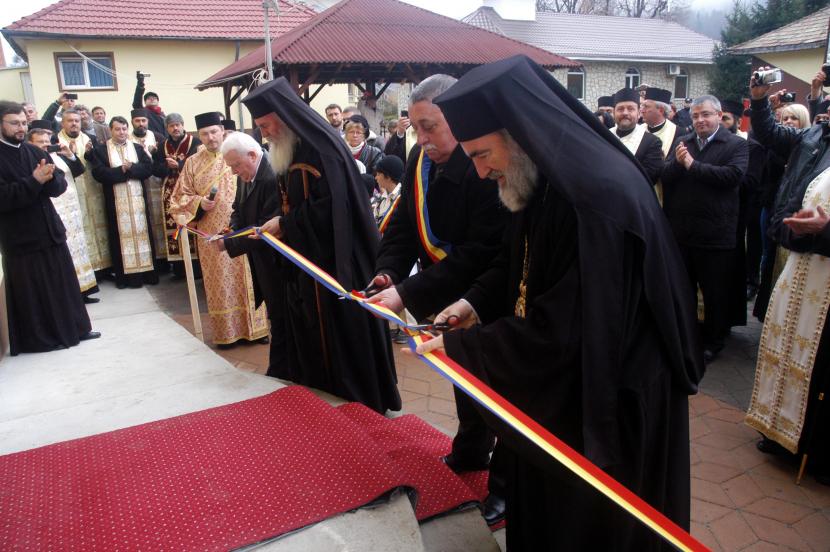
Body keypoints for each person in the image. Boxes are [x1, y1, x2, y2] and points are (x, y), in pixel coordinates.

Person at [415, 55, 701, 550]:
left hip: (612, 400)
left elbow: (570, 328)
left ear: (522, 133)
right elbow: (518, 262)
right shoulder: (544, 178)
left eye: (482, 154)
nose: (480, 172)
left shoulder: (596, 197)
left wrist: (462, 350)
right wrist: (473, 305)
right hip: (570, 386)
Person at [366, 73, 510, 525]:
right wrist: (389, 271)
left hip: (486, 293)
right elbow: (406, 224)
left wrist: (407, 293)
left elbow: (482, 250)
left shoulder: (484, 162)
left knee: (497, 392)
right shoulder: (418, 160)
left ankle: (505, 486)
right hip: (442, 291)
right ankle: (471, 453)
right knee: (462, 378)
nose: (422, 138)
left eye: (431, 126)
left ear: (457, 118)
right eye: (416, 127)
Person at [239, 77, 400, 414]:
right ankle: (319, 399)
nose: (264, 134)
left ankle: (356, 404)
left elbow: (331, 206)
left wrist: (285, 224)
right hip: (306, 262)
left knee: (343, 340)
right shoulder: (289, 147)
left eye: (266, 125)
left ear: (282, 117)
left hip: (337, 264)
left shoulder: (321, 147)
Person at [745, 67, 830, 486]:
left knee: (817, 366)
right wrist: (759, 101)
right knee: (784, 347)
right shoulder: (817, 136)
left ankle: (812, 447)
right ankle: (778, 432)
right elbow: (774, 138)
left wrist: (825, 231)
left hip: (827, 275)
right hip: (798, 260)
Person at [0, 101, 100, 355]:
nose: (21, 128)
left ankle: (76, 329)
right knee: (34, 292)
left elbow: (59, 186)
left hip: (50, 231)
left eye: (24, 122)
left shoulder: (34, 152)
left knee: (63, 284)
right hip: (21, 238)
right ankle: (42, 339)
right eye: (15, 123)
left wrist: (48, 179)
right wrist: (34, 180)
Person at [168, 112, 268, 347]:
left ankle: (257, 329)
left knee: (250, 277)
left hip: (242, 227)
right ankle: (227, 334)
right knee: (220, 284)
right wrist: (199, 204)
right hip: (211, 231)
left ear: (222, 130)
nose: (210, 137)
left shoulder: (235, 153)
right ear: (198, 136)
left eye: (214, 131)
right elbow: (177, 199)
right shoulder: (193, 162)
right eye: (204, 133)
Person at [661, 95, 749, 364]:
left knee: (714, 294)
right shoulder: (682, 143)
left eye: (706, 115)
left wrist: (692, 166)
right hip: (683, 233)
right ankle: (687, 336)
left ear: (719, 116)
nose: (700, 120)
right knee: (684, 291)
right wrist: (677, 164)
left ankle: (714, 341)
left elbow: (732, 177)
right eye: (696, 115)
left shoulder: (735, 145)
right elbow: (664, 175)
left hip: (715, 235)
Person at [218, 131, 287, 376]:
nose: (234, 172)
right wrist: (230, 231)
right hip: (261, 261)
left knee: (282, 315)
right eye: (231, 167)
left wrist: (230, 244)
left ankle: (281, 370)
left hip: (278, 262)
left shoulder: (271, 176)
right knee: (274, 313)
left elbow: (265, 228)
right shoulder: (244, 173)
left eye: (236, 165)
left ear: (252, 154)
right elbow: (238, 209)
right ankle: (281, 367)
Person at [29, 124, 100, 303]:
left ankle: (84, 290)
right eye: (40, 142)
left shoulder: (56, 156)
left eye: (47, 141)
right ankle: (71, 295)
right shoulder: (32, 161)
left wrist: (70, 155)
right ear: (30, 144)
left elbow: (78, 171)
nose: (45, 145)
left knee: (78, 250)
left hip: (73, 209)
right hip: (56, 210)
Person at [88, 116, 159, 288]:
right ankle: (126, 279)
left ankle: (147, 275)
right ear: (111, 130)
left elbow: (148, 169)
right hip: (115, 204)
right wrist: (122, 170)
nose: (121, 132)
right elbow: (99, 174)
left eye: (124, 129)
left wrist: (132, 168)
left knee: (143, 236)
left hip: (138, 204)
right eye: (117, 129)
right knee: (119, 238)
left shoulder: (136, 148)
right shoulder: (101, 150)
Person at [56, 110, 111, 277]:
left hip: (94, 189)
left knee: (100, 227)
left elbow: (99, 162)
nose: (74, 124)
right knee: (81, 229)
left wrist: (91, 154)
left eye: (77, 121)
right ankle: (87, 271)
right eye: (70, 121)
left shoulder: (90, 139)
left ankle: (105, 268)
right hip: (72, 193)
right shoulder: (57, 142)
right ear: (62, 123)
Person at [153, 113, 201, 277]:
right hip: (170, 192)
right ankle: (180, 269)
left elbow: (198, 165)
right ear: (167, 128)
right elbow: (156, 170)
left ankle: (196, 268)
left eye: (177, 124)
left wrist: (179, 164)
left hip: (189, 191)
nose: (175, 128)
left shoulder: (195, 142)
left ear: (182, 125)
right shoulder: (162, 146)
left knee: (191, 224)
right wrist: (169, 167)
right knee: (174, 227)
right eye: (171, 126)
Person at [610, 88, 664, 185]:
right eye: (620, 109)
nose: (625, 113)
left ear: (639, 113)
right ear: (614, 113)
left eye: (631, 109)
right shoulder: (605, 136)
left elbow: (649, 179)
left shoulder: (652, 142)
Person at [370, 154, 403, 229]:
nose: (376, 178)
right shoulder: (381, 198)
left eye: (378, 174)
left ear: (388, 177)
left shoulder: (402, 199)